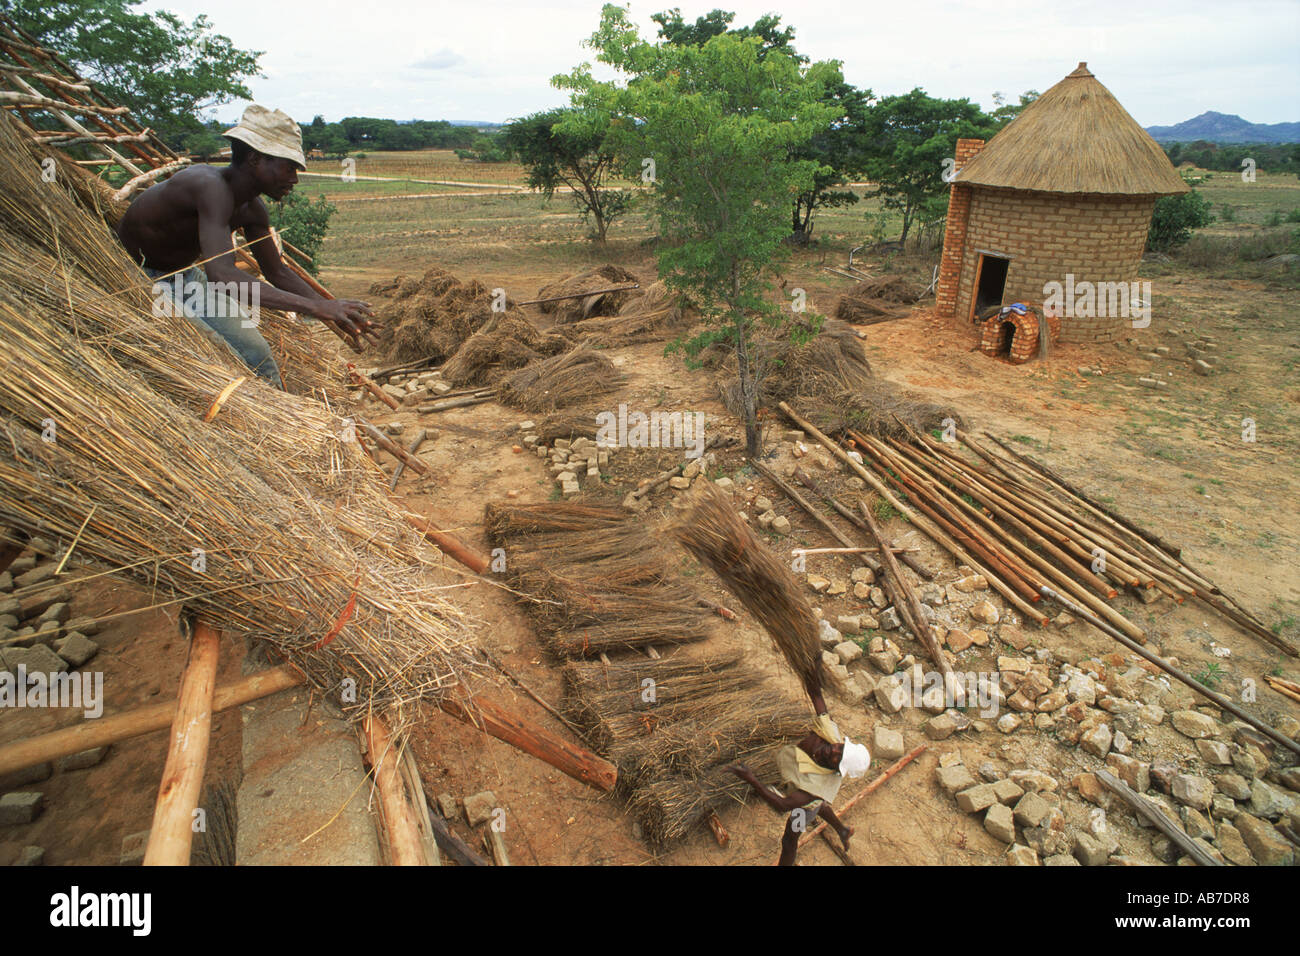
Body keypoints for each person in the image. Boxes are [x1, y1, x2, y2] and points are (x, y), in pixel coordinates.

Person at [116, 104, 377, 388]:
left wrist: (332, 308)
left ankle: (280, 422)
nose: (295, 179)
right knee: (217, 356)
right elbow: (222, 276)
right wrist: (314, 307)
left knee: (257, 357)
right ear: (255, 159)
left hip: (184, 277)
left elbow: (277, 271)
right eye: (288, 167)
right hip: (137, 277)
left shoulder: (253, 208)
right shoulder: (209, 186)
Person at [729, 694, 870, 866]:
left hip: (802, 810)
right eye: (840, 748)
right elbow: (817, 696)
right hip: (813, 795)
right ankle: (842, 830)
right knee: (818, 804)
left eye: (838, 758)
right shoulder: (831, 736)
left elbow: (782, 805)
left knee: (790, 840)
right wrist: (811, 670)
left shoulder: (817, 788)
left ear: (838, 770)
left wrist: (751, 779)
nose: (834, 750)